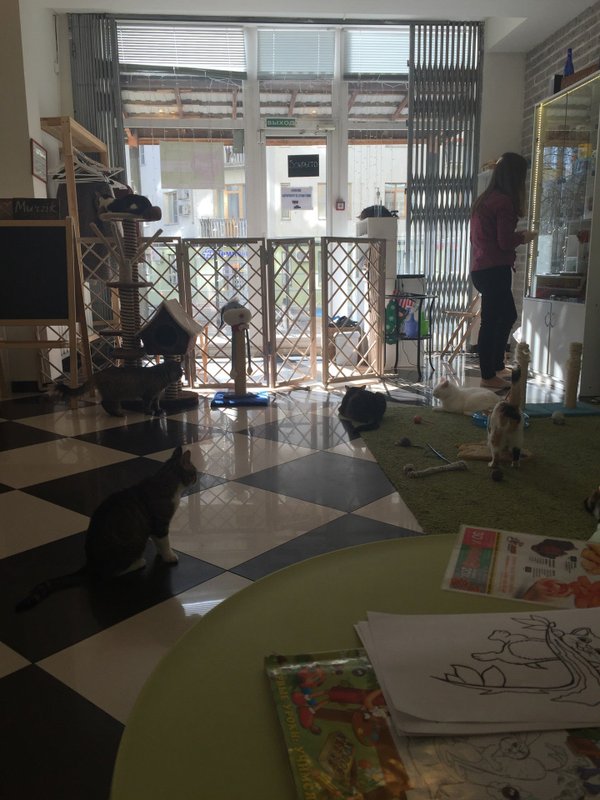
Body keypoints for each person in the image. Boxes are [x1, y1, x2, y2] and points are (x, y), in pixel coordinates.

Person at [470, 152, 537, 390]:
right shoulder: (504, 201)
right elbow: (505, 241)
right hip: (494, 269)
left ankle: (496, 366)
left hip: (481, 268)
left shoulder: (485, 199)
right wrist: (524, 236)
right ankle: (488, 375)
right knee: (492, 321)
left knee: (505, 315)